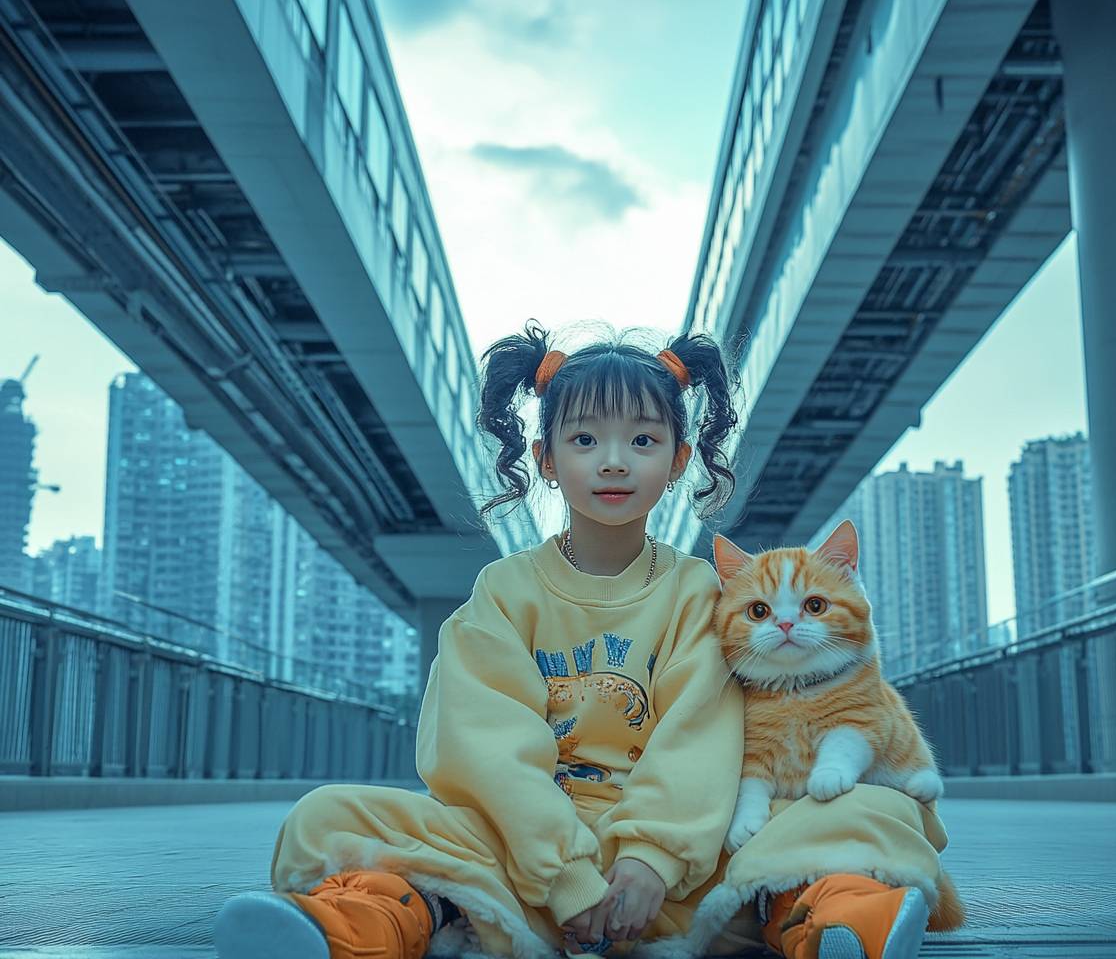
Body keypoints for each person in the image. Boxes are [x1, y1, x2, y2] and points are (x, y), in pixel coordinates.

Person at [213, 319, 952, 959]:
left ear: (678, 462)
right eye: (584, 438)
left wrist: (652, 859)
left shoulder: (701, 591)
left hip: (681, 867)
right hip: (524, 858)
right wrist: (564, 875)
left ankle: (827, 917)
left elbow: (705, 734)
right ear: (545, 460)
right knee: (329, 812)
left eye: (642, 439)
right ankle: (364, 921)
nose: (612, 460)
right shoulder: (504, 593)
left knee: (878, 807)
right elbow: (481, 744)